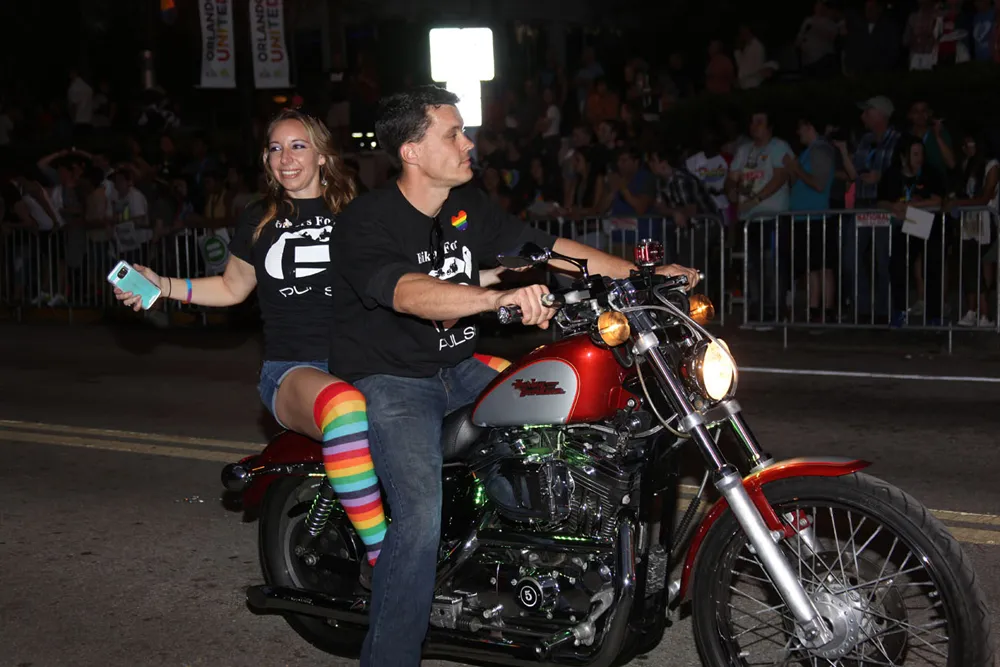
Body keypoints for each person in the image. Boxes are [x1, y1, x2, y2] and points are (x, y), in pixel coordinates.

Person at [328, 85, 700, 667]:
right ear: (411, 151)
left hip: (460, 368)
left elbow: (554, 250)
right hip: (394, 380)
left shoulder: (466, 208)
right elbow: (406, 293)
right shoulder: (367, 220)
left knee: (568, 433)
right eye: (453, 134)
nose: (467, 143)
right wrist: (491, 298)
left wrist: (644, 280)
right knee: (419, 519)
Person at [112, 110, 390, 567]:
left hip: (364, 360)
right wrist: (162, 285)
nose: (286, 158)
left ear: (322, 155)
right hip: (296, 369)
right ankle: (386, 560)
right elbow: (231, 288)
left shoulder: (358, 214)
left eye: (298, 146)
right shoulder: (260, 218)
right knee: (345, 409)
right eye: (276, 148)